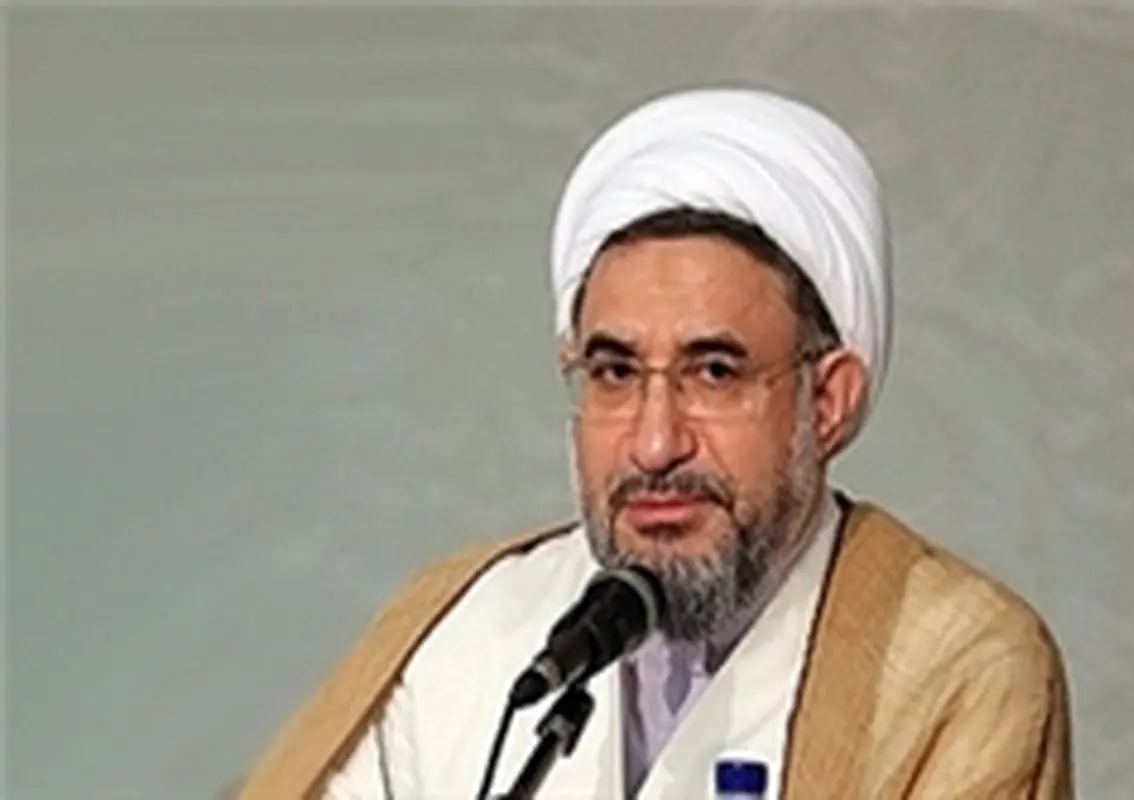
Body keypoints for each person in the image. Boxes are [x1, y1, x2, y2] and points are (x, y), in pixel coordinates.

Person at [233, 87, 1074, 799]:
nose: (655, 442)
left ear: (827, 402)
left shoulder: (955, 664)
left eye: (714, 372)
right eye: (614, 372)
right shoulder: (466, 630)